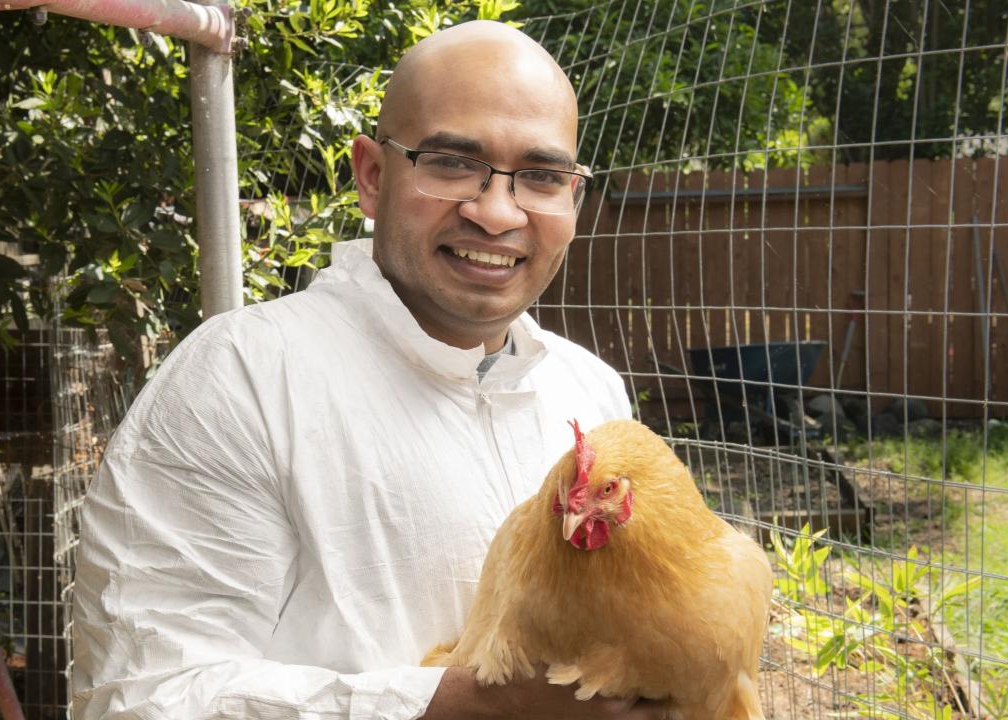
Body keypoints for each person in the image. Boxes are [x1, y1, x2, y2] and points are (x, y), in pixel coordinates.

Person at [72, 20, 664, 720]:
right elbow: (143, 698)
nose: (497, 212)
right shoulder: (241, 380)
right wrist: (458, 706)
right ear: (372, 176)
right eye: (450, 163)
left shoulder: (589, 391)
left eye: (541, 176)